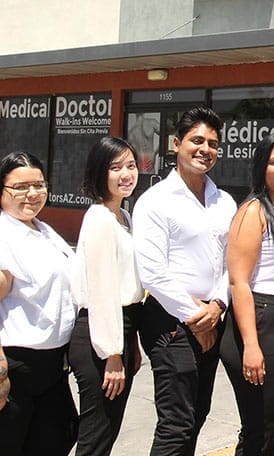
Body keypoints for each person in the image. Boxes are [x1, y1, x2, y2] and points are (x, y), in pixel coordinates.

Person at [133, 106, 237, 455]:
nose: (204, 149)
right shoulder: (155, 202)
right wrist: (195, 317)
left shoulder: (224, 201)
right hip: (170, 322)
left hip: (212, 316)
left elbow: (231, 263)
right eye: (196, 140)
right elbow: (153, 271)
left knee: (198, 414)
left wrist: (218, 306)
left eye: (212, 143)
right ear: (176, 143)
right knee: (176, 423)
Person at [220, 132, 274, 455]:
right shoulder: (253, 211)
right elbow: (238, 282)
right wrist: (252, 346)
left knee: (273, 426)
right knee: (260, 427)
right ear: (262, 167)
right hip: (261, 320)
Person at [69, 137, 144, 456]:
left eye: (130, 166)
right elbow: (102, 290)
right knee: (96, 435)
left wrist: (131, 345)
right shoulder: (99, 219)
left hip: (121, 329)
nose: (126, 174)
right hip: (99, 336)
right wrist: (112, 353)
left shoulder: (123, 217)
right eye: (116, 168)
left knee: (107, 431)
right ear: (100, 172)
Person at [0, 151, 78, 455]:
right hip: (17, 366)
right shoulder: (5, 233)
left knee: (57, 437)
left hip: (52, 366)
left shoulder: (43, 230)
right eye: (20, 187)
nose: (32, 194)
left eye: (39, 184)